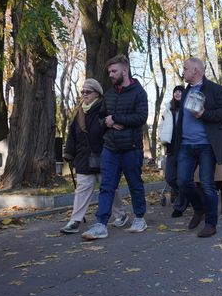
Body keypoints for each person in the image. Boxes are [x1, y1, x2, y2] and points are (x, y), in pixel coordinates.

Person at [82, 54, 149, 240]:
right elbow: (100, 119)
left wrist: (117, 118)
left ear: (125, 70)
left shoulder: (139, 92)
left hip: (131, 147)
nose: (110, 75)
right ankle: (101, 224)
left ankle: (139, 218)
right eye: (109, 71)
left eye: (114, 71)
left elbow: (141, 118)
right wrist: (108, 122)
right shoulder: (109, 94)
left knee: (135, 184)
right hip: (110, 148)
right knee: (106, 186)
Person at [173, 57, 222, 238]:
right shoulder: (185, 91)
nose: (182, 71)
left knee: (207, 184)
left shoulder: (215, 89)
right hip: (185, 144)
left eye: (185, 68)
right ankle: (199, 209)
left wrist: (204, 114)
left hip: (207, 144)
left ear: (196, 71)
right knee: (182, 181)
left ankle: (211, 223)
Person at [61, 79, 128, 234]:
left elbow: (111, 129)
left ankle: (120, 214)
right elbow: (72, 134)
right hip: (84, 157)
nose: (84, 94)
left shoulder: (105, 108)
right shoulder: (79, 111)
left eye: (88, 92)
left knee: (109, 187)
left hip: (104, 155)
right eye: (83, 91)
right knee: (82, 189)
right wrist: (69, 152)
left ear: (97, 93)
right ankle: (75, 220)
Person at [159, 85, 186, 218]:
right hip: (171, 147)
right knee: (169, 177)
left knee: (182, 178)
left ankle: (179, 206)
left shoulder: (187, 109)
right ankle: (185, 196)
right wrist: (162, 138)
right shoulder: (168, 109)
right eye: (175, 91)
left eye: (180, 91)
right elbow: (161, 126)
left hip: (185, 147)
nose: (177, 93)